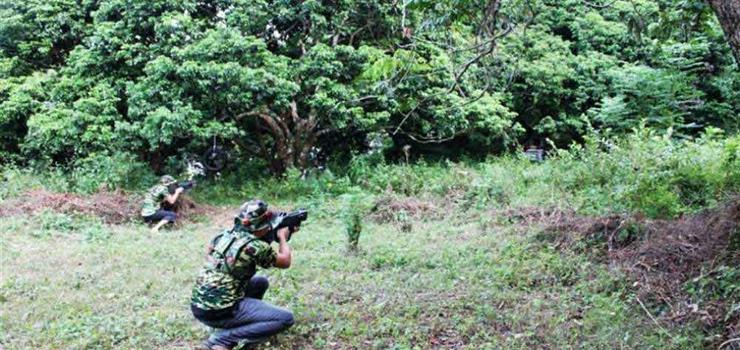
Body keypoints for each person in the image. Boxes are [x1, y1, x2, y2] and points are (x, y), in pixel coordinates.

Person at [191, 199, 295, 350]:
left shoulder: (222, 236)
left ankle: (241, 325)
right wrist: (283, 238)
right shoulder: (256, 246)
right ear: (260, 226)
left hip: (199, 306)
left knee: (260, 282)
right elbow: (285, 262)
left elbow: (212, 258)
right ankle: (222, 339)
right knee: (285, 318)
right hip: (221, 310)